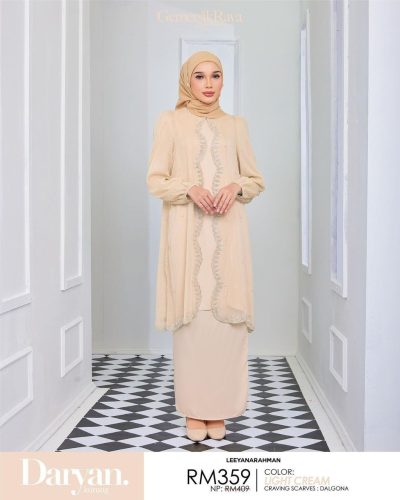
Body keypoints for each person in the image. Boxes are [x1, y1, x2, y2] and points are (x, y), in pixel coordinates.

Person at [146, 51, 265, 442]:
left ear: (223, 80)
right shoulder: (170, 122)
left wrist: (236, 185)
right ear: (187, 81)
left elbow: (256, 180)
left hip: (228, 240)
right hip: (187, 239)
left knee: (226, 328)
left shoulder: (235, 126)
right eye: (199, 76)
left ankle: (221, 409)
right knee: (193, 329)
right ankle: (196, 411)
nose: (209, 84)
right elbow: (155, 180)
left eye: (216, 75)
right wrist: (189, 189)